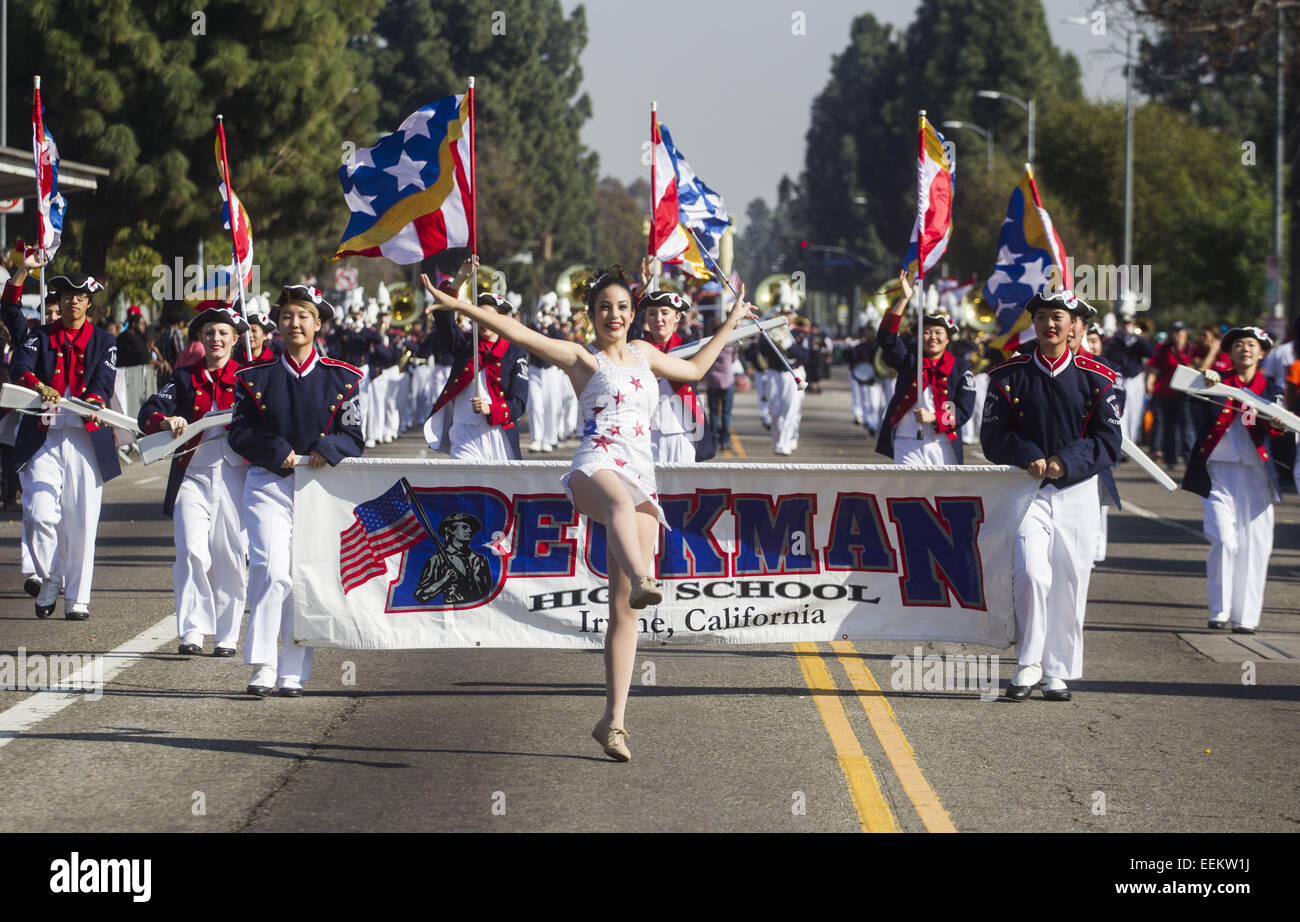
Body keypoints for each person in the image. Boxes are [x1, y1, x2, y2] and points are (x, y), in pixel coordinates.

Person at [421, 264, 756, 762]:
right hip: (595, 467)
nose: (615, 315)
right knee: (619, 508)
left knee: (624, 610)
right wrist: (459, 306)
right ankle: (644, 576)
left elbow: (696, 371)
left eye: (623, 306)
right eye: (605, 308)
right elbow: (520, 333)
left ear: (633, 313)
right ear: (592, 316)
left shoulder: (646, 355)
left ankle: (613, 723)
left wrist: (729, 324)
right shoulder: (583, 359)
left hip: (642, 474)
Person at [982, 289, 1122, 702]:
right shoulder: (1008, 374)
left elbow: (1109, 441)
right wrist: (1027, 456)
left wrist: (1065, 461)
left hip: (1077, 492)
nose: (1050, 324)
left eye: (1058, 316)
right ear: (1034, 322)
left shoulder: (1098, 377)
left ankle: (1057, 671)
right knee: (1030, 573)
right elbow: (993, 436)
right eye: (1042, 316)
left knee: (1068, 580)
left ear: (1073, 324)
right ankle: (1028, 663)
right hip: (1026, 491)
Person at [228, 285, 365, 697]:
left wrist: (327, 447)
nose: (294, 323)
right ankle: (263, 664)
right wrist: (276, 450)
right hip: (269, 483)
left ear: (318, 324)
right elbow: (239, 432)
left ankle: (292, 668)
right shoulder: (255, 378)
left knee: (299, 577)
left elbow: (354, 436)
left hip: (316, 491)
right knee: (271, 571)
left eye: (303, 316)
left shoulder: (342, 378)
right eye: (287, 316)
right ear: (277, 324)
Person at [9, 270, 123, 620]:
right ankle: (51, 574)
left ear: (88, 302)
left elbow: (102, 384)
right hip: (44, 435)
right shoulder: (39, 336)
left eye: (79, 296)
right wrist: (37, 385)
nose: (72, 300)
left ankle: (77, 598)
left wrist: (90, 401)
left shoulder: (105, 340)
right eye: (65, 295)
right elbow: (20, 367)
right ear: (57, 301)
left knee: (82, 521)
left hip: (85, 437)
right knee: (38, 513)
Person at [139, 302, 250, 656]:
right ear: (200, 339)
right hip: (193, 476)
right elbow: (150, 408)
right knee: (190, 551)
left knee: (230, 556)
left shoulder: (251, 377)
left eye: (222, 333)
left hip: (237, 476)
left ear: (234, 338)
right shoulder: (185, 377)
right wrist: (164, 420)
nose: (215, 339)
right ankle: (192, 630)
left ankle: (228, 635)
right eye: (208, 334)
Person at [1182, 327, 1287, 634]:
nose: (1245, 350)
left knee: (1255, 546)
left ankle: (1246, 618)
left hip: (1256, 476)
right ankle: (1220, 609)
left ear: (1262, 352)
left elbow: (1279, 429)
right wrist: (1205, 380)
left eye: (1251, 345)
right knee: (1224, 540)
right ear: (1230, 351)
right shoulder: (1218, 380)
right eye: (1239, 345)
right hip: (1217, 473)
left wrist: (1277, 423)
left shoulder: (1270, 389)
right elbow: (1189, 392)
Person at [422, 264, 530, 461]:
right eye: (478, 317)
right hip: (463, 433)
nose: (483, 322)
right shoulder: (465, 344)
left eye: (489, 317)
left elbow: (519, 404)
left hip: (498, 434)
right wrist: (459, 280)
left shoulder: (515, 353)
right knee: (465, 485)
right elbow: (445, 320)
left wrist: (492, 408)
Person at [876, 271, 976, 465]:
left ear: (947, 339)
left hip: (944, 442)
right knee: (908, 492)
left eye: (938, 333)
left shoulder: (961, 368)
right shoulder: (909, 360)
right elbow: (886, 339)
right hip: (906, 441)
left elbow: (964, 410)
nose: (932, 337)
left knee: (942, 494)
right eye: (926, 332)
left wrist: (934, 417)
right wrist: (904, 299)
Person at [635, 279, 710, 462]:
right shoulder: (637, 348)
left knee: (682, 488)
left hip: (681, 430)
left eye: (664, 313)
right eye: (652, 313)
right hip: (644, 433)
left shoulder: (688, 346)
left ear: (677, 317)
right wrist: (639, 290)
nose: (658, 319)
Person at [1149, 320, 1194, 469]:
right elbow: (1155, 368)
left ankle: (1188, 457)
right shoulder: (1163, 349)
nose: (1177, 335)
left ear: (1185, 333)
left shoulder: (1191, 349)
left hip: (1184, 393)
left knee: (1186, 425)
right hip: (1164, 392)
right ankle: (1170, 458)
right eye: (1174, 331)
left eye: (1180, 331)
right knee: (1168, 425)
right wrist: (1150, 383)